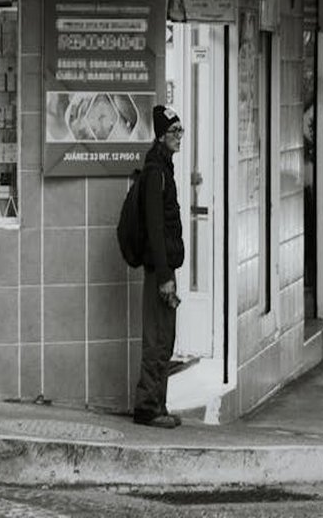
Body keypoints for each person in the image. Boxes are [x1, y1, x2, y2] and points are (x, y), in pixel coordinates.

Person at [134, 105, 186, 428]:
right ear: (161, 136)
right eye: (174, 133)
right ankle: (147, 408)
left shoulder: (164, 168)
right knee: (156, 339)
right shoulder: (156, 172)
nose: (179, 138)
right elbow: (155, 227)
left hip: (165, 269)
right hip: (159, 272)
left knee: (166, 338)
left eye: (181, 132)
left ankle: (159, 403)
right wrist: (165, 277)